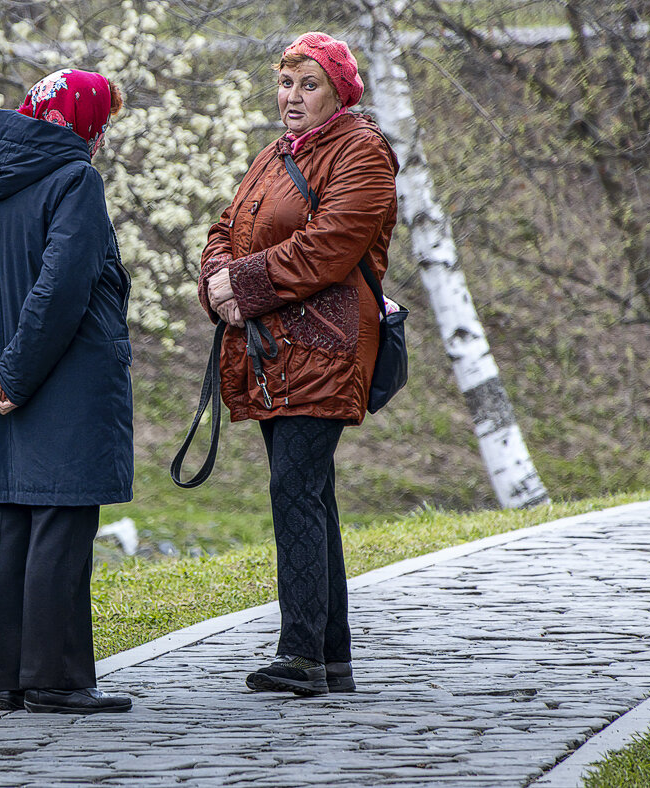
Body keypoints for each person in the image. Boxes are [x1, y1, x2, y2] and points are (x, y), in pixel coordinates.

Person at [198, 32, 399, 695]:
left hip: (328, 350)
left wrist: (242, 285)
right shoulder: (272, 156)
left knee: (295, 487)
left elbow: (329, 248)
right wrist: (220, 286)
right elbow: (223, 230)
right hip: (273, 351)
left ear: (338, 93)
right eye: (286, 83)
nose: (292, 97)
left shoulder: (363, 153)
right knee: (308, 492)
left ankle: (302, 655)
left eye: (308, 85)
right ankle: (329, 657)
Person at [0, 68, 133, 714]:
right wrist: (12, 378)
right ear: (77, 124)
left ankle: (13, 679)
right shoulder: (74, 179)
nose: (99, 142)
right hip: (62, 384)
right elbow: (61, 291)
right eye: (98, 126)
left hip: (6, 383)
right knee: (62, 524)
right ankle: (58, 679)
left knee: (20, 523)